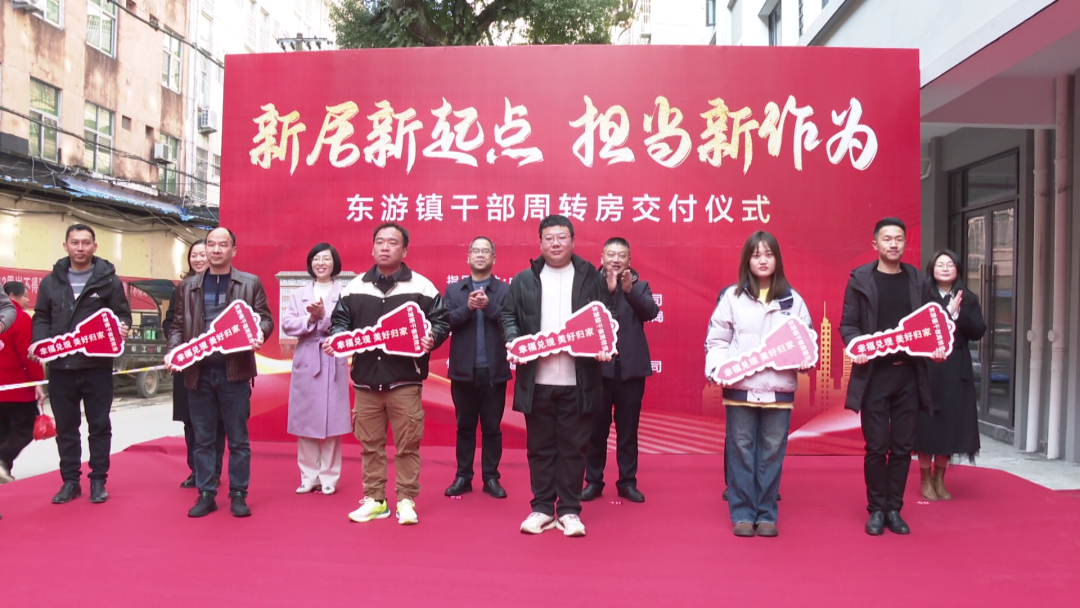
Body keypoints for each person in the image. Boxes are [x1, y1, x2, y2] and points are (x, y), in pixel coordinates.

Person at [325, 223, 448, 525]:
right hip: (366, 380)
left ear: (404, 250)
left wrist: (432, 336)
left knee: (407, 445)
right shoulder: (355, 287)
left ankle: (406, 500)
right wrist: (338, 337)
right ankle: (375, 500)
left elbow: (441, 320)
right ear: (372, 248)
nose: (385, 247)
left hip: (404, 379)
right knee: (370, 445)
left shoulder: (421, 287)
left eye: (392, 242)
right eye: (379, 241)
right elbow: (340, 321)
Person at [502, 215, 615, 538]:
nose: (555, 243)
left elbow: (606, 315)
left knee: (574, 447)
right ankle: (541, 507)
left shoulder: (591, 277)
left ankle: (568, 510)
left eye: (562, 237)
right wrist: (514, 340)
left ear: (573, 241)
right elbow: (509, 315)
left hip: (579, 379)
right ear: (539, 242)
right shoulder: (524, 279)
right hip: (537, 379)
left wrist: (604, 344)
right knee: (539, 447)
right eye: (549, 238)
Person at [704, 232, 812, 537]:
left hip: (779, 390)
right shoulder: (732, 297)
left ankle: (766, 513)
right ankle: (742, 513)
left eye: (768, 254)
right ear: (746, 261)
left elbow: (806, 341)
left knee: (771, 451)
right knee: (740, 449)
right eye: (756, 255)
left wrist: (805, 361)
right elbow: (717, 339)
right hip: (740, 388)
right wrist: (719, 368)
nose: (762, 260)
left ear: (777, 259)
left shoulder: (793, 300)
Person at [840, 217, 940, 536]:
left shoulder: (918, 281)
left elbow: (932, 324)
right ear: (876, 244)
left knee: (902, 446)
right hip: (875, 376)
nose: (893, 244)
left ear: (905, 243)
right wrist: (856, 346)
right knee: (876, 446)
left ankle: (894, 509)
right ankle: (876, 509)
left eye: (899, 239)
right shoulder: (860, 280)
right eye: (887, 239)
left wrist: (937, 347)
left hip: (909, 375)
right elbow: (848, 325)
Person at [167, 227, 274, 518]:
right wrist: (173, 351)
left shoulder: (249, 283)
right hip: (198, 373)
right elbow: (178, 325)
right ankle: (206, 493)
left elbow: (265, 318)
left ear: (233, 250)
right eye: (211, 244)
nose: (215, 250)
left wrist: (260, 333)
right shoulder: (188, 286)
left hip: (234, 372)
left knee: (238, 439)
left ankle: (238, 494)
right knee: (202, 438)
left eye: (222, 244)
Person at [33, 224, 132, 505]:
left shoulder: (109, 281)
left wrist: (122, 326)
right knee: (66, 427)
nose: (80, 248)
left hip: (97, 367)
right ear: (65, 246)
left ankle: (98, 480)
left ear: (94, 247)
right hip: (61, 368)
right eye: (75, 242)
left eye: (86, 243)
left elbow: (122, 314)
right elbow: (41, 316)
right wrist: (41, 343)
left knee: (99, 425)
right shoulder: (51, 282)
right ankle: (70, 482)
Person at [583, 237, 659, 504]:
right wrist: (606, 290)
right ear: (602, 257)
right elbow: (581, 317)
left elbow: (651, 312)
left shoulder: (640, 286)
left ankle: (627, 482)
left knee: (628, 431)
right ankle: (593, 481)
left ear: (629, 260)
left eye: (621, 255)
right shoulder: (589, 285)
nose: (616, 259)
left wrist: (629, 290)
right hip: (598, 371)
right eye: (611, 255)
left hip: (630, 372)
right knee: (596, 431)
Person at [915, 249, 986, 501]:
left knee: (950, 424)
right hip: (929, 367)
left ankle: (939, 478)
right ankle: (925, 478)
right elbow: (919, 329)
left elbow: (978, 331)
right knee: (927, 424)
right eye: (940, 264)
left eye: (950, 264)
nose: (945, 268)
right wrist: (946, 314)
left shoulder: (968, 298)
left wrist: (958, 314)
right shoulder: (922, 296)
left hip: (956, 368)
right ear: (931, 270)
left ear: (958, 269)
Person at [443, 237, 511, 499]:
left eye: (486, 251)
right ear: (468, 257)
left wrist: (489, 307)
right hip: (463, 372)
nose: (480, 255)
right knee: (465, 427)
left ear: (494, 258)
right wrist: (469, 308)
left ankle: (491, 478)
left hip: (494, 371)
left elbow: (511, 323)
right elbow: (445, 322)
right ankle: (463, 476)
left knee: (492, 428)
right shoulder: (454, 290)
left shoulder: (504, 291)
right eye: (476, 251)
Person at [282, 243, 351, 495]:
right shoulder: (299, 293)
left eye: (326, 258)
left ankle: (329, 477)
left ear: (335, 263)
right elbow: (288, 324)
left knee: (333, 422)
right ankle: (309, 476)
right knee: (306, 420)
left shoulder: (345, 293)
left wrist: (323, 317)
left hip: (332, 355)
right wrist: (310, 318)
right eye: (316, 259)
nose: (321, 263)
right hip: (307, 357)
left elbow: (348, 325)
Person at [163, 239, 225, 489]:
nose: (198, 259)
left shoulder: (225, 286)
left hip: (217, 364)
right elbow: (170, 323)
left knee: (216, 421)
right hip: (188, 366)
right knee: (191, 421)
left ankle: (214, 471)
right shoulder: (182, 289)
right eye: (194, 256)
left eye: (202, 254)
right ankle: (196, 470)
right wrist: (180, 347)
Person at [0, 282, 45, 484]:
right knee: (26, 428)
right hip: (17, 388)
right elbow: (29, 355)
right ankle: (2, 460)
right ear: (11, 296)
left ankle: (3, 471)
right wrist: (38, 382)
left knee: (3, 431)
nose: (28, 300)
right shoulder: (19, 318)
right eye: (25, 296)